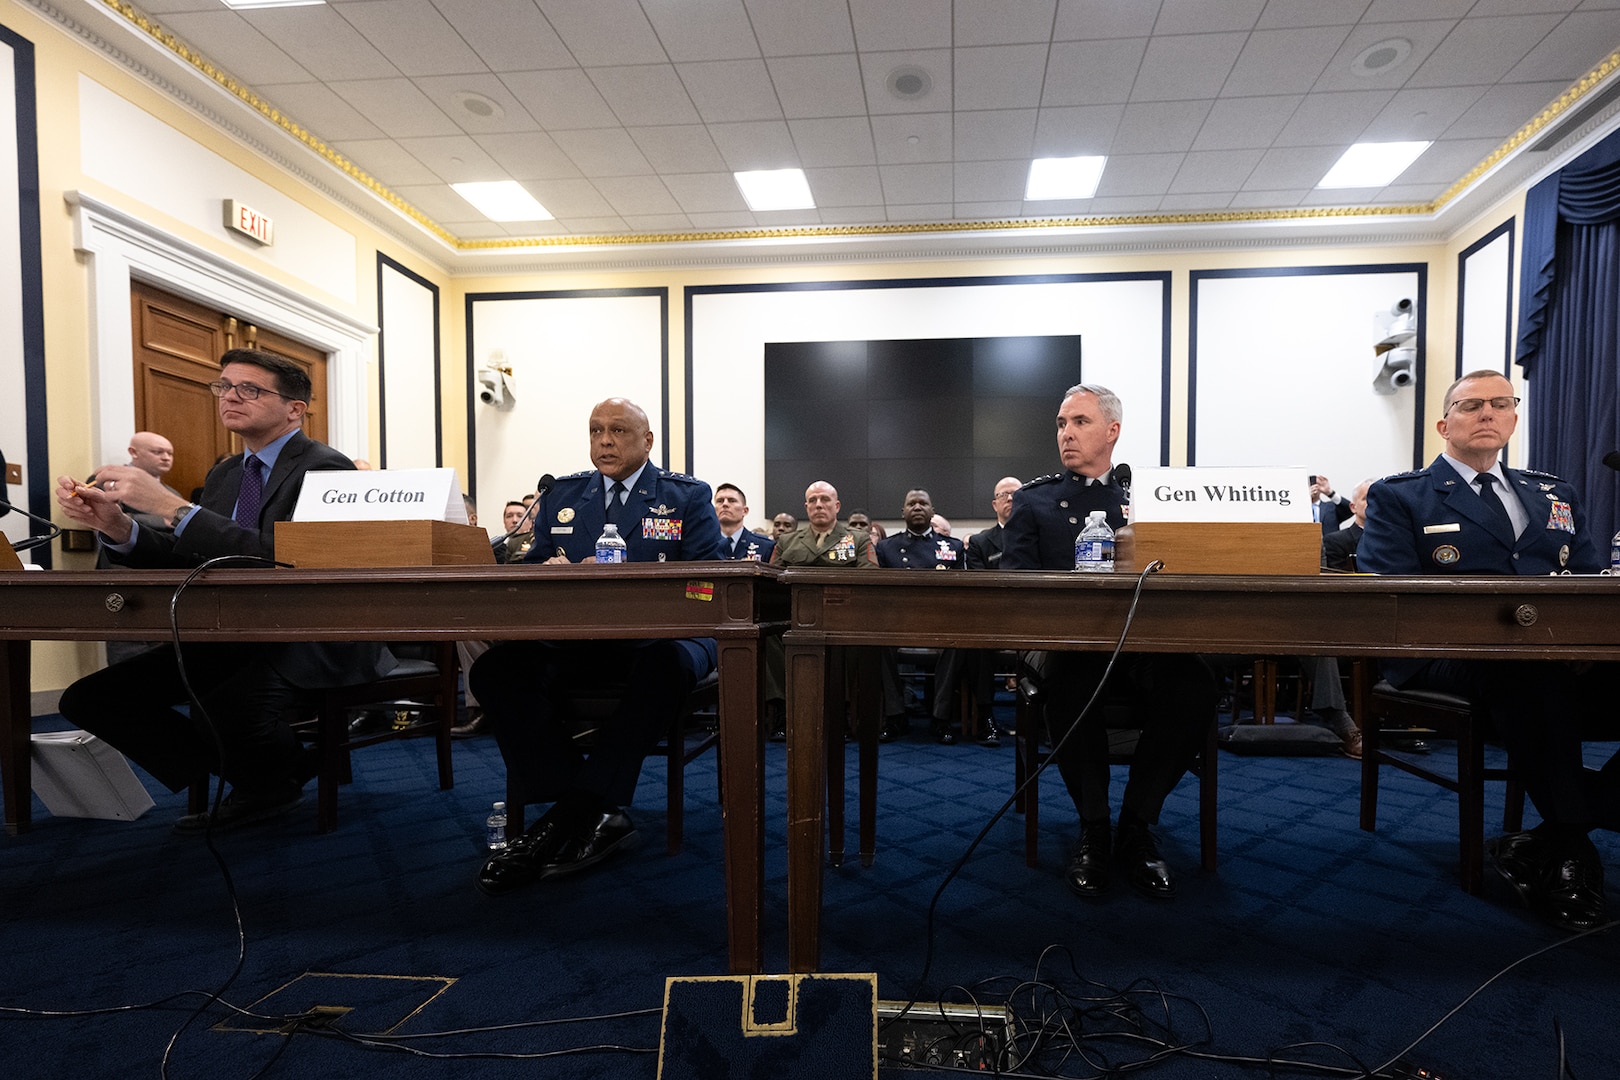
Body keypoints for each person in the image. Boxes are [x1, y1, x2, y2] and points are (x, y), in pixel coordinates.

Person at [55, 348, 395, 831]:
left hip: (305, 633)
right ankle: (272, 775)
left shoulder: (326, 468)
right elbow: (189, 557)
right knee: (89, 700)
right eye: (224, 386)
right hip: (226, 631)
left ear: (295, 408)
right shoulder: (226, 474)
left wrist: (173, 507)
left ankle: (265, 778)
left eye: (250, 389)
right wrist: (119, 529)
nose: (230, 396)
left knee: (226, 702)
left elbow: (286, 560)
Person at [1356, 369, 1619, 932]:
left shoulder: (1554, 493)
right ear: (1442, 423)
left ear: (1514, 418)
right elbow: (1388, 593)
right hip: (1443, 655)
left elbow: (1593, 579)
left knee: (1546, 678)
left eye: (1500, 403)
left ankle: (1552, 833)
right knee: (1529, 676)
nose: (1486, 413)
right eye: (1470, 404)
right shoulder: (1401, 495)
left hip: (1556, 655)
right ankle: (1571, 847)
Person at [470, 398, 723, 896]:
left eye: (618, 431)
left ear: (647, 441)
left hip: (664, 636)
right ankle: (588, 808)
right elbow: (533, 572)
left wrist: (626, 581)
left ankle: (571, 814)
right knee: (496, 670)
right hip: (578, 636)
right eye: (595, 431)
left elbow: (708, 587)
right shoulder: (563, 496)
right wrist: (545, 573)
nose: (604, 441)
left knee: (664, 664)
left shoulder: (685, 496)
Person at [1001, 383, 1216, 901]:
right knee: (1070, 683)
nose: (1066, 434)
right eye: (1061, 424)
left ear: (1112, 431)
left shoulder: (1152, 499)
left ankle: (1138, 824)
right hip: (1070, 641)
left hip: (1146, 641)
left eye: (1079, 422)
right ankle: (1094, 828)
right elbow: (1012, 587)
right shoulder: (1035, 501)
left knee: (1195, 685)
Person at [876, 489, 967, 743]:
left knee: (957, 642)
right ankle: (895, 716)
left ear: (932, 511)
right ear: (903, 512)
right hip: (898, 624)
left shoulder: (952, 546)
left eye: (923, 503)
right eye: (911, 504)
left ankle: (941, 718)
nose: (917, 507)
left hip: (940, 623)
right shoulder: (886, 547)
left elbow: (960, 595)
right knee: (877, 642)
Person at [966, 476, 1021, 570]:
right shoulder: (979, 543)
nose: (1010, 498)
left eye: (1016, 494)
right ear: (995, 505)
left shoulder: (1040, 537)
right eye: (1003, 495)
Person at [714, 483, 775, 561]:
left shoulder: (765, 545)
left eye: (732, 500)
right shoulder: (704, 546)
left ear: (745, 511)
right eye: (720, 501)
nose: (725, 504)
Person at [1320, 478, 1370, 572]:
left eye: (1378, 499)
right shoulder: (1336, 542)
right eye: (1366, 498)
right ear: (1353, 507)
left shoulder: (1396, 538)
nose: (1373, 502)